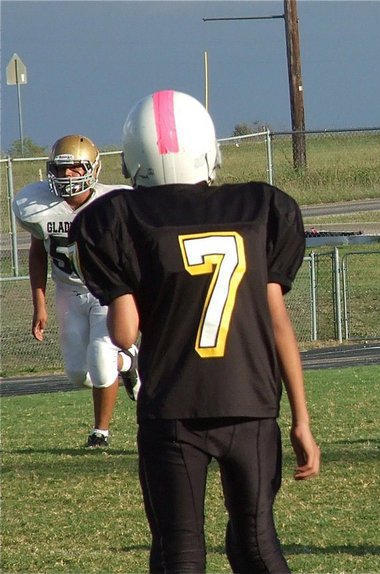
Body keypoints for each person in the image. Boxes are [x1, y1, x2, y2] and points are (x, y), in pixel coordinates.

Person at [69, 89, 321, 573]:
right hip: (250, 404)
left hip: (174, 410)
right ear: (208, 149)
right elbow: (279, 324)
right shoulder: (258, 207)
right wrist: (302, 420)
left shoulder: (119, 217)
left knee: (179, 554)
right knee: (257, 544)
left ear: (135, 159)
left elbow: (124, 334)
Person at [12, 134, 141, 448]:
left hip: (108, 292)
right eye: (61, 168)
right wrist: (38, 303)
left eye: (75, 168)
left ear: (93, 168)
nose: (67, 175)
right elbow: (38, 253)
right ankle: (128, 364)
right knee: (77, 374)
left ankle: (101, 432)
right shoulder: (39, 207)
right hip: (68, 291)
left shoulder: (116, 203)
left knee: (100, 356)